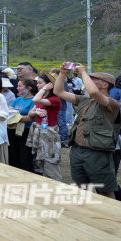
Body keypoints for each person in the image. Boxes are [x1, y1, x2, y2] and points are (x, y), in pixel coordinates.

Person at [54, 63, 120, 198]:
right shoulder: (85, 100)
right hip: (77, 149)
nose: (88, 81)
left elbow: (95, 92)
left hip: (97, 152)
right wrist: (62, 73)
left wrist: (83, 72)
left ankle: (112, 212)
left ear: (105, 85)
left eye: (93, 79)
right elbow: (59, 92)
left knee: (105, 190)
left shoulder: (112, 103)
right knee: (81, 187)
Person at [29, 71, 63, 181]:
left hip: (49, 134)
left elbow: (35, 100)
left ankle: (58, 186)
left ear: (50, 85)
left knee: (50, 164)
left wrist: (44, 89)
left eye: (40, 83)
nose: (37, 85)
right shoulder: (43, 97)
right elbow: (30, 113)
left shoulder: (55, 99)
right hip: (40, 132)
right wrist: (36, 112)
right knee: (42, 163)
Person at [8, 78, 37, 173]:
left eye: (20, 86)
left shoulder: (34, 100)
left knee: (25, 157)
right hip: (13, 130)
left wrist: (14, 118)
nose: (17, 88)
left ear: (28, 88)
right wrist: (16, 118)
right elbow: (8, 112)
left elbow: (30, 118)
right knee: (13, 155)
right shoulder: (18, 99)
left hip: (27, 131)